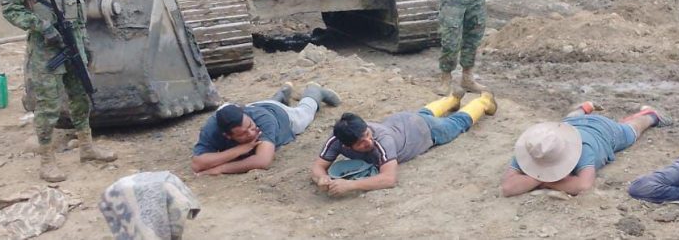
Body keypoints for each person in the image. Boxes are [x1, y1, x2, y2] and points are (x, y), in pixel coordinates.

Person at [1, 0, 116, 183]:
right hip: (46, 49)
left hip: (73, 41)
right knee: (49, 105)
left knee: (81, 97)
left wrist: (85, 43)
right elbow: (10, 8)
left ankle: (87, 147)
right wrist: (42, 27)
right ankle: (47, 160)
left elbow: (76, 8)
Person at [311, 90, 497, 196]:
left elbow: (389, 179)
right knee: (423, 113)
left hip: (425, 131)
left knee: (456, 123)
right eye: (361, 142)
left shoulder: (382, 140)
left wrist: (350, 185)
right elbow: (318, 166)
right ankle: (451, 99)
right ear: (346, 145)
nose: (369, 141)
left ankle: (483, 101)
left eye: (367, 134)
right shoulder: (337, 138)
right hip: (404, 121)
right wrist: (321, 178)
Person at [501, 102, 671, 197]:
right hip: (570, 126)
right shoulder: (535, 145)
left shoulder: (584, 150)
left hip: (605, 131)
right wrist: (544, 177)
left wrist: (541, 178)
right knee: (570, 119)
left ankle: (651, 115)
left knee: (632, 130)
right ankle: (584, 107)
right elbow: (507, 188)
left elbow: (583, 185)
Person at [191, 82, 341, 175]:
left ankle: (314, 91)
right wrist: (240, 149)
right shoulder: (212, 127)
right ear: (227, 135)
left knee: (305, 114)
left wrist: (220, 168)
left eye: (250, 126)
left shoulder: (263, 121)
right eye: (243, 134)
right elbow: (198, 164)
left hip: (281, 116)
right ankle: (282, 93)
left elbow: (263, 160)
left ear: (247, 116)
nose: (252, 133)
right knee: (257, 108)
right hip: (258, 106)